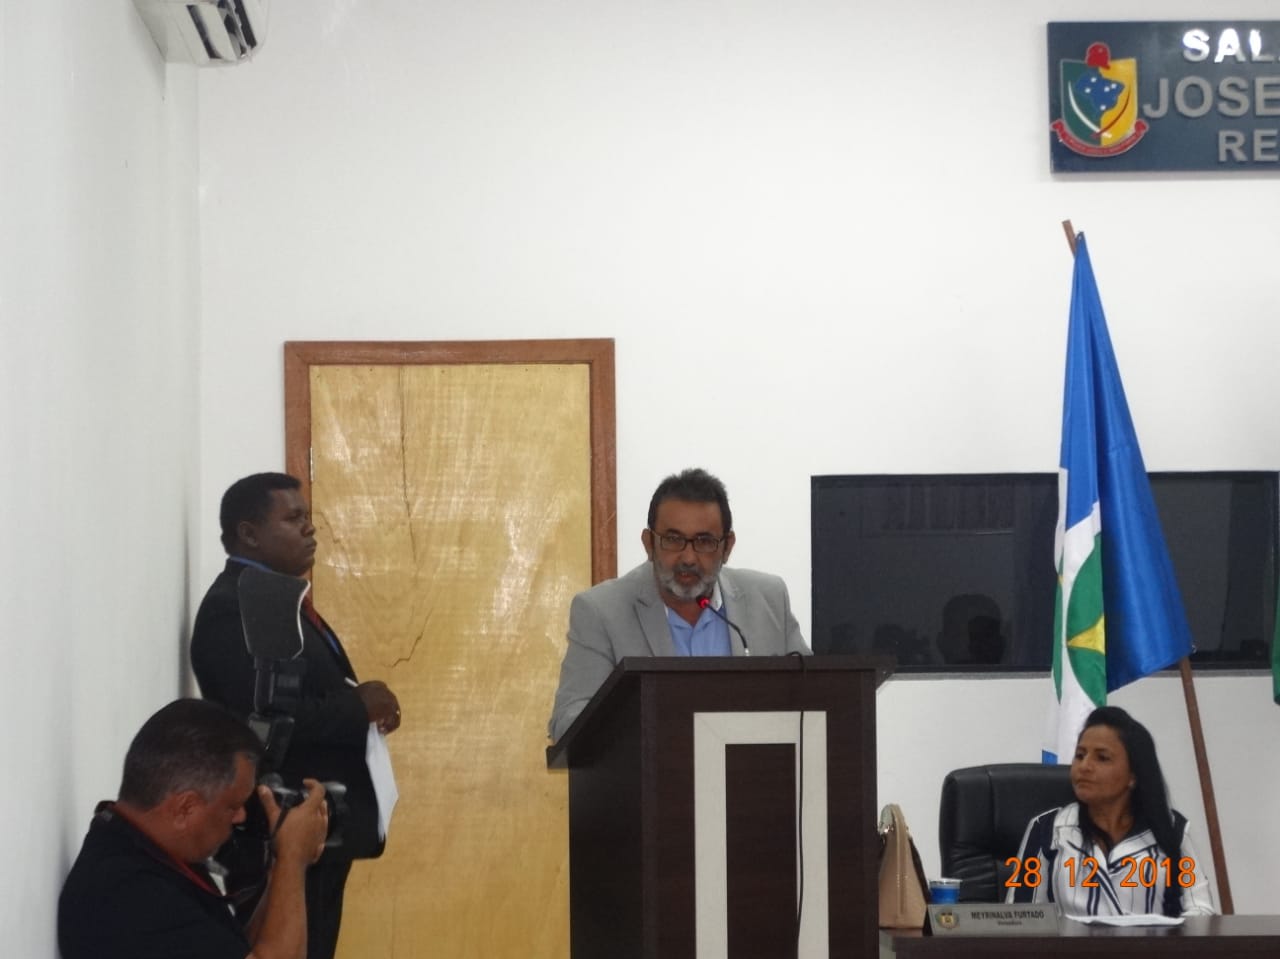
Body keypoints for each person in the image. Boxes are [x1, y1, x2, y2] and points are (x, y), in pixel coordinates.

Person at [191, 472, 403, 959]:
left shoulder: (271, 601)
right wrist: (357, 705)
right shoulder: (235, 608)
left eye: (307, 517)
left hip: (315, 830)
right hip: (277, 832)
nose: (310, 529)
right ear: (249, 534)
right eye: (293, 519)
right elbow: (262, 722)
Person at [549, 467, 810, 741]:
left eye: (704, 541)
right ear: (649, 544)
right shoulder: (601, 611)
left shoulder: (768, 599)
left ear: (727, 547)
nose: (688, 558)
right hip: (651, 767)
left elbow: (817, 697)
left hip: (752, 766)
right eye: (673, 540)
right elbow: (569, 722)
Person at [58, 698, 330, 959]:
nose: (241, 816)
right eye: (233, 806)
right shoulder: (128, 895)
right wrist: (293, 857)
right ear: (185, 808)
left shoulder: (140, 848)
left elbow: (240, 950)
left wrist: (281, 865)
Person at [1006, 705, 1217, 916]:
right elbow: (1021, 917)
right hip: (1071, 939)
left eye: (1102, 758)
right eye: (1080, 755)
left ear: (1133, 775)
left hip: (1153, 939)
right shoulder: (1047, 830)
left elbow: (1200, 911)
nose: (1084, 766)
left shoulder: (1171, 829)